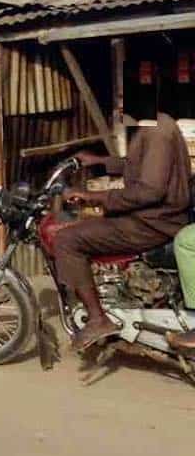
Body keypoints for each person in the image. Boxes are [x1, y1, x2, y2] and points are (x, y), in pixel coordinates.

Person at [61, 113, 190, 351]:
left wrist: (95, 197)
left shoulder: (157, 131)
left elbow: (150, 190)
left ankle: (98, 320)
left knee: (67, 238)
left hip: (154, 222)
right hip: (156, 217)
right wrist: (100, 161)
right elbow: (139, 166)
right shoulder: (153, 126)